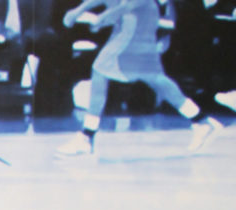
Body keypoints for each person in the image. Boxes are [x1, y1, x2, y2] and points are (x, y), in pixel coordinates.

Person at [55, 0, 222, 156]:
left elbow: (131, 3)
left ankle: (86, 136)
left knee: (100, 70)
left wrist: (104, 16)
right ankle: (200, 120)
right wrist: (80, 10)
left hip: (135, 19)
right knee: (154, 77)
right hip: (136, 18)